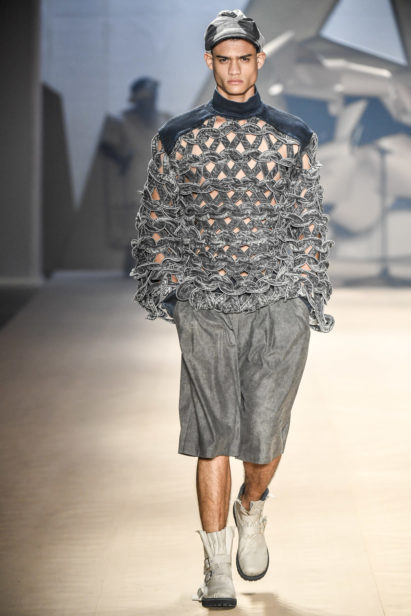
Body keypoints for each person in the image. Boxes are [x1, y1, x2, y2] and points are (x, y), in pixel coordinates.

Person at [130, 8, 334, 609]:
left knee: (265, 434)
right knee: (212, 433)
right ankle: (216, 566)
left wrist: (301, 293)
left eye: (245, 59)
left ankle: (252, 505)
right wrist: (176, 294)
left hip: (279, 303)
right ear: (210, 62)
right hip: (204, 303)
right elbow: (156, 220)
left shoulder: (294, 136)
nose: (236, 70)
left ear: (259, 60)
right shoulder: (177, 137)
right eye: (225, 60)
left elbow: (309, 222)